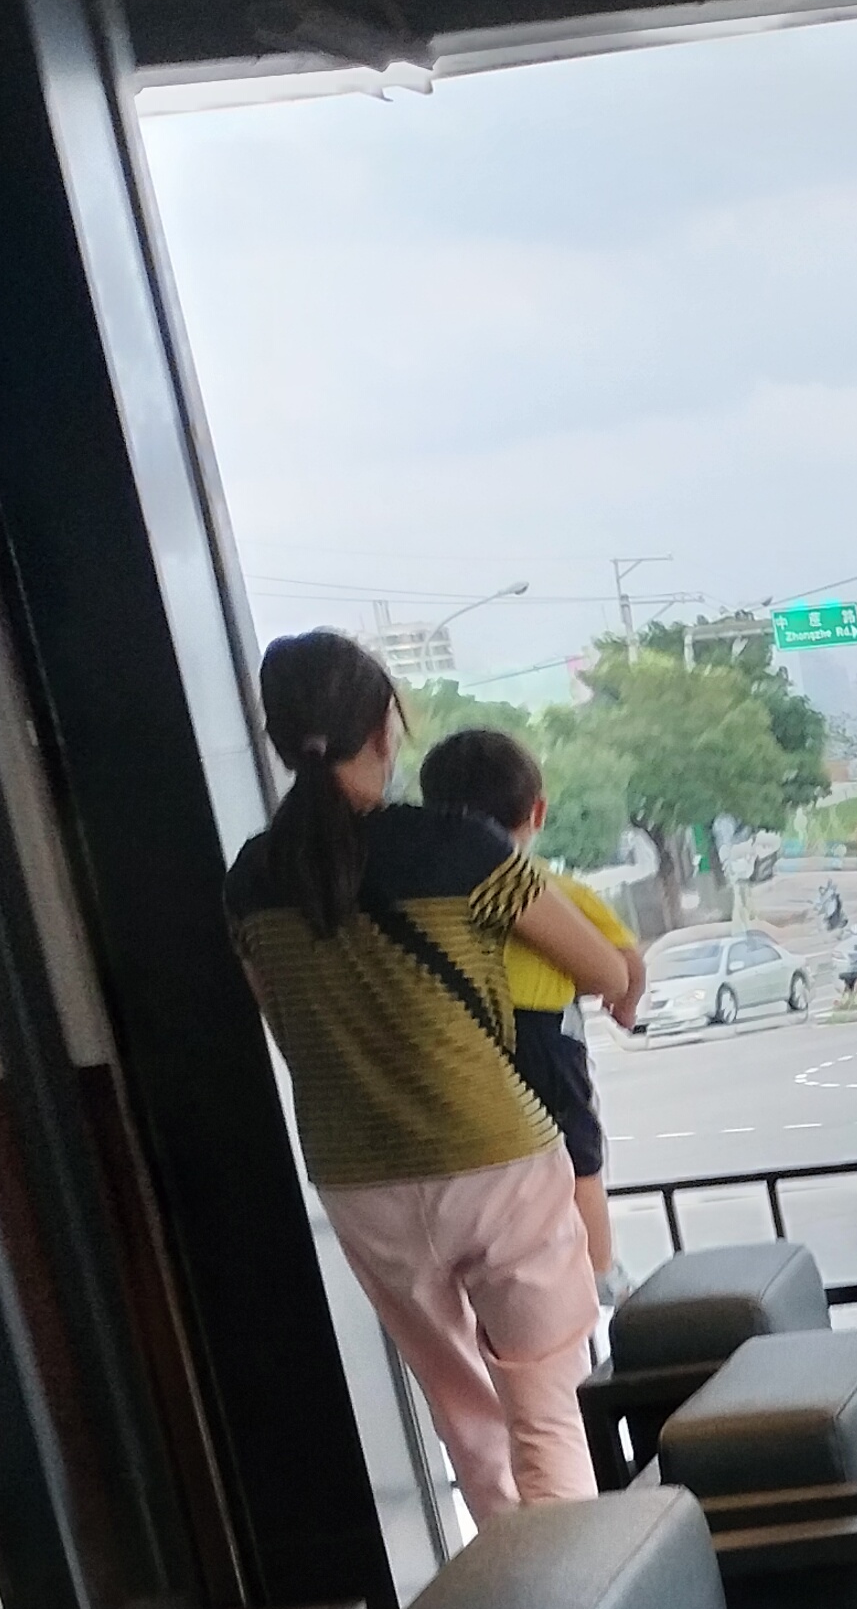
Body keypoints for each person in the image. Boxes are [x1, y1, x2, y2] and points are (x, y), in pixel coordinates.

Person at [225, 631, 644, 1514]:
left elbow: (289, 1031)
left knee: (472, 1427)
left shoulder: (253, 882)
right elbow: (602, 971)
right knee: (547, 1413)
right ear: (386, 730)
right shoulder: (459, 848)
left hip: (360, 1178)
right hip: (495, 1156)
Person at [416, 722, 634, 1291]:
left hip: (474, 1041)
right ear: (537, 812)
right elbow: (624, 961)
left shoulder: (438, 900)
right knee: (577, 1152)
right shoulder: (551, 888)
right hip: (546, 1034)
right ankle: (600, 1268)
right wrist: (625, 1006)